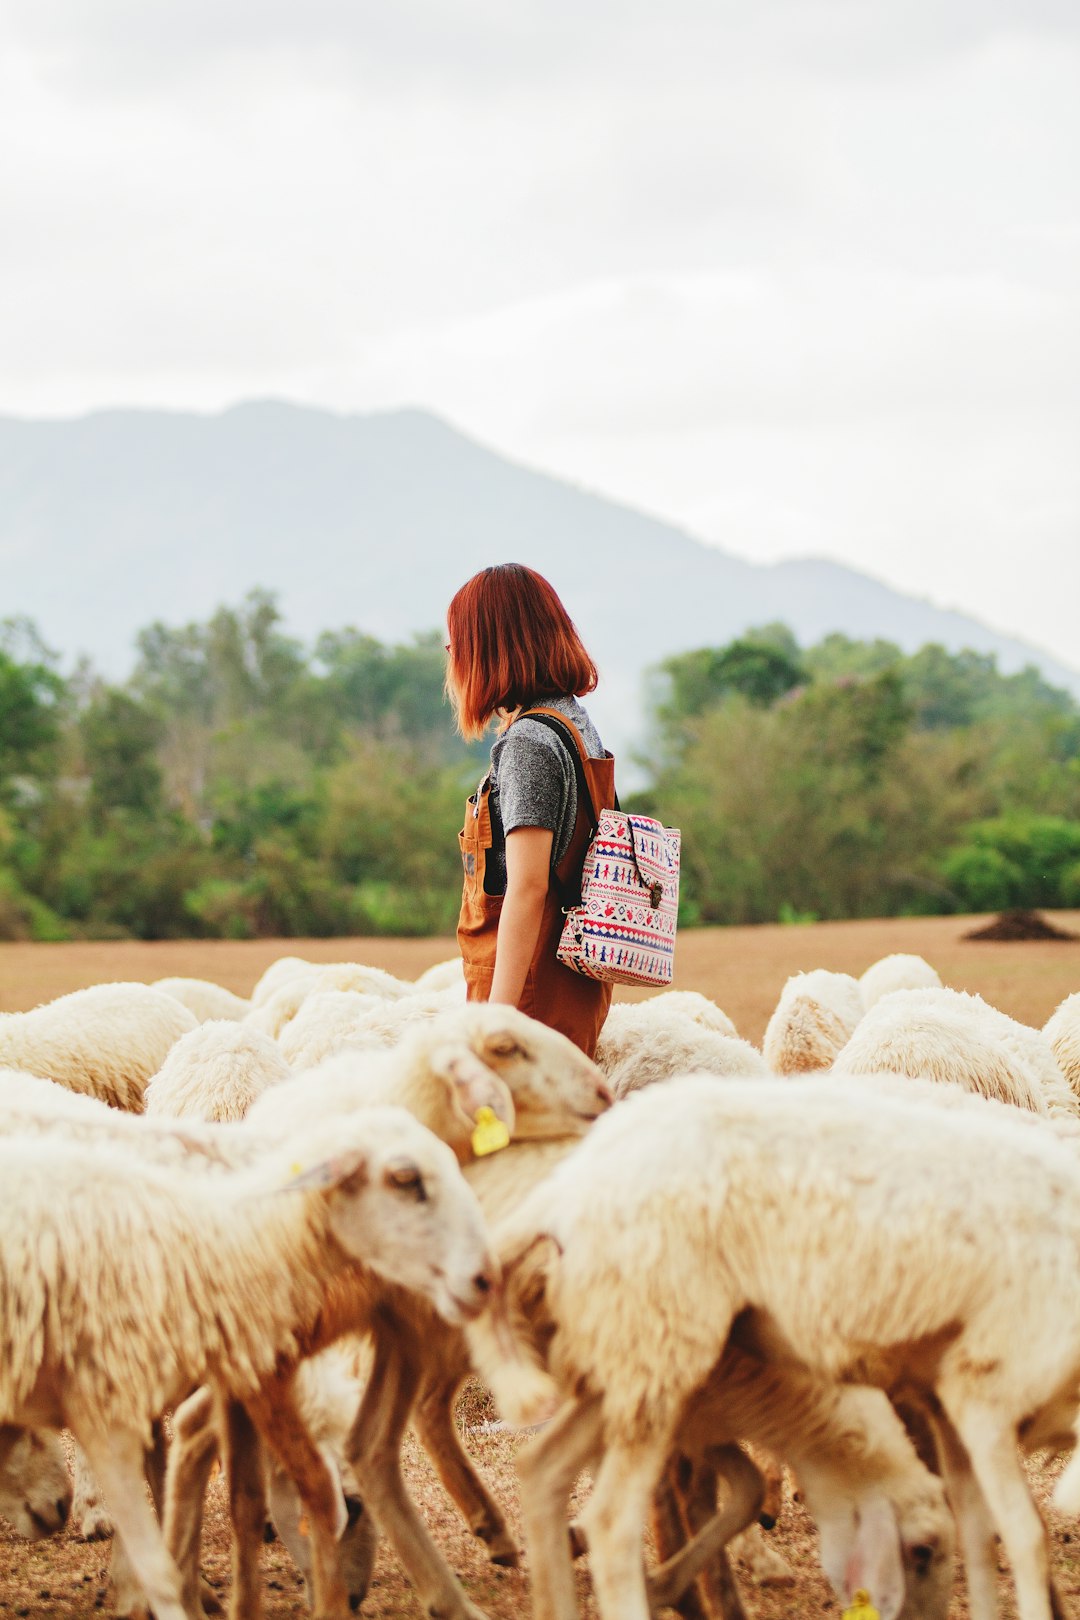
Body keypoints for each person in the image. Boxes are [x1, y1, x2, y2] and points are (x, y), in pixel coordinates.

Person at [445, 563, 615, 1058]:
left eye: (457, 640)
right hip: (571, 984)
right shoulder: (573, 722)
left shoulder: (529, 743)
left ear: (490, 647)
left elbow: (528, 886)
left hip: (530, 996)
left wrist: (497, 1022)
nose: (450, 654)